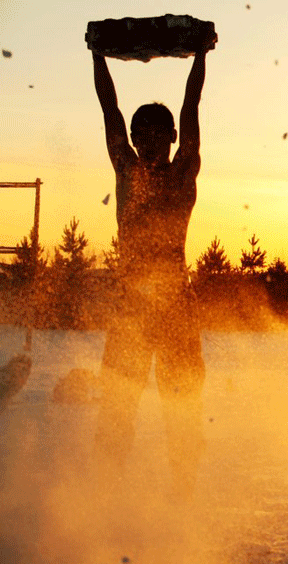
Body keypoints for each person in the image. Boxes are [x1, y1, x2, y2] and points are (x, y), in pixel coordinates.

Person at [91, 38, 212, 501]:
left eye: (158, 132)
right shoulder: (127, 171)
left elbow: (191, 104)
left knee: (182, 407)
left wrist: (201, 58)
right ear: (136, 139)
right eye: (142, 133)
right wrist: (97, 57)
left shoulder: (183, 172)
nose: (149, 140)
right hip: (131, 310)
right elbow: (110, 111)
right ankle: (105, 495)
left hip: (175, 307)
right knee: (117, 407)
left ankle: (183, 495)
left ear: (172, 138)